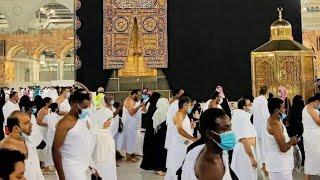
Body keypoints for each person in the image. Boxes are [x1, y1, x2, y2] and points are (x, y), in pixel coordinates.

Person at [180, 108, 233, 180]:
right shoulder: (211, 165)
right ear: (209, 134)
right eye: (224, 129)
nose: (230, 132)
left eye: (230, 127)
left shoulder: (199, 149)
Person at [52, 93, 92, 180]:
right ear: (75, 105)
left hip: (84, 166)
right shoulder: (64, 123)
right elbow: (55, 149)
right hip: (70, 168)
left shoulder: (82, 120)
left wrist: (92, 166)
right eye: (85, 107)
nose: (87, 110)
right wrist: (61, 177)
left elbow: (85, 143)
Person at [0, 112, 45, 180]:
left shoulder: (29, 141)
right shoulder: (4, 148)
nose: (31, 125)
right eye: (26, 123)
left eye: (30, 122)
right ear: (16, 128)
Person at [265, 98, 299, 180]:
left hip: (282, 165)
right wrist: (292, 141)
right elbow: (283, 148)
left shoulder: (276, 120)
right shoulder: (274, 124)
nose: (285, 109)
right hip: (279, 167)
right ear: (276, 110)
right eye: (283, 107)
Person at [165, 96, 197, 180]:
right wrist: (192, 138)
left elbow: (184, 128)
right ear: (185, 105)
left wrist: (191, 127)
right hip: (178, 146)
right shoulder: (178, 114)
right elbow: (179, 129)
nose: (192, 107)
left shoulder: (184, 115)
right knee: (177, 166)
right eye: (191, 105)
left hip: (184, 144)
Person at [231, 98, 259, 180]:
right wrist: (252, 157)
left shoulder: (240, 116)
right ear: (244, 107)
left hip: (244, 150)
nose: (251, 106)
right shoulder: (242, 117)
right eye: (249, 105)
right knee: (247, 176)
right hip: (245, 152)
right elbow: (244, 139)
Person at [91, 95, 118, 180]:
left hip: (101, 140)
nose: (109, 122)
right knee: (104, 166)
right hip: (105, 141)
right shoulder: (107, 112)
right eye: (107, 120)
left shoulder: (98, 111)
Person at [140, 93, 161, 172]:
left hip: (149, 129)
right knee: (152, 146)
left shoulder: (151, 104)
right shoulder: (155, 106)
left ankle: (147, 164)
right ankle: (151, 164)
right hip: (152, 130)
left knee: (149, 146)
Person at [122, 89, 145, 162]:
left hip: (133, 124)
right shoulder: (129, 100)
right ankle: (128, 157)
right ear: (134, 94)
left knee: (133, 140)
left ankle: (132, 155)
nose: (139, 96)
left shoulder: (133, 101)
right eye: (138, 95)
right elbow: (131, 112)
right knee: (129, 140)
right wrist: (139, 106)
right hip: (129, 124)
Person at [252, 85, 269, 174]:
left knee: (258, 146)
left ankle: (260, 166)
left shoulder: (255, 99)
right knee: (264, 147)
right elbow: (266, 114)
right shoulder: (264, 100)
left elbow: (252, 112)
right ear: (266, 92)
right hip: (263, 126)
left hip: (256, 126)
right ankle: (264, 166)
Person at [302, 93, 320, 180]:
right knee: (317, 156)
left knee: (309, 157)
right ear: (316, 101)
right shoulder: (311, 108)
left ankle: (307, 177)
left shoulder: (305, 108)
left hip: (309, 136)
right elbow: (318, 121)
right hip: (314, 138)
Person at [152, 98, 169, 175]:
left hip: (163, 134)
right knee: (159, 151)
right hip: (160, 134)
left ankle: (163, 167)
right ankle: (158, 168)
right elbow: (157, 125)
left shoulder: (165, 111)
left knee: (164, 151)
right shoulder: (159, 112)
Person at [287, 95, 305, 165]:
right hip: (299, 133)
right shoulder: (303, 110)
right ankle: (301, 161)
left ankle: (297, 162)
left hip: (294, 133)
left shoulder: (292, 110)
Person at [165, 89, 184, 154]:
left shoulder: (176, 101)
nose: (182, 95)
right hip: (172, 123)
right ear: (177, 94)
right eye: (181, 93)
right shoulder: (174, 102)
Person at [43, 103, 60, 173]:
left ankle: (48, 166)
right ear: (56, 109)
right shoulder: (56, 117)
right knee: (52, 150)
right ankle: (49, 166)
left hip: (49, 134)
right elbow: (55, 126)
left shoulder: (47, 116)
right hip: (53, 134)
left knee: (49, 149)